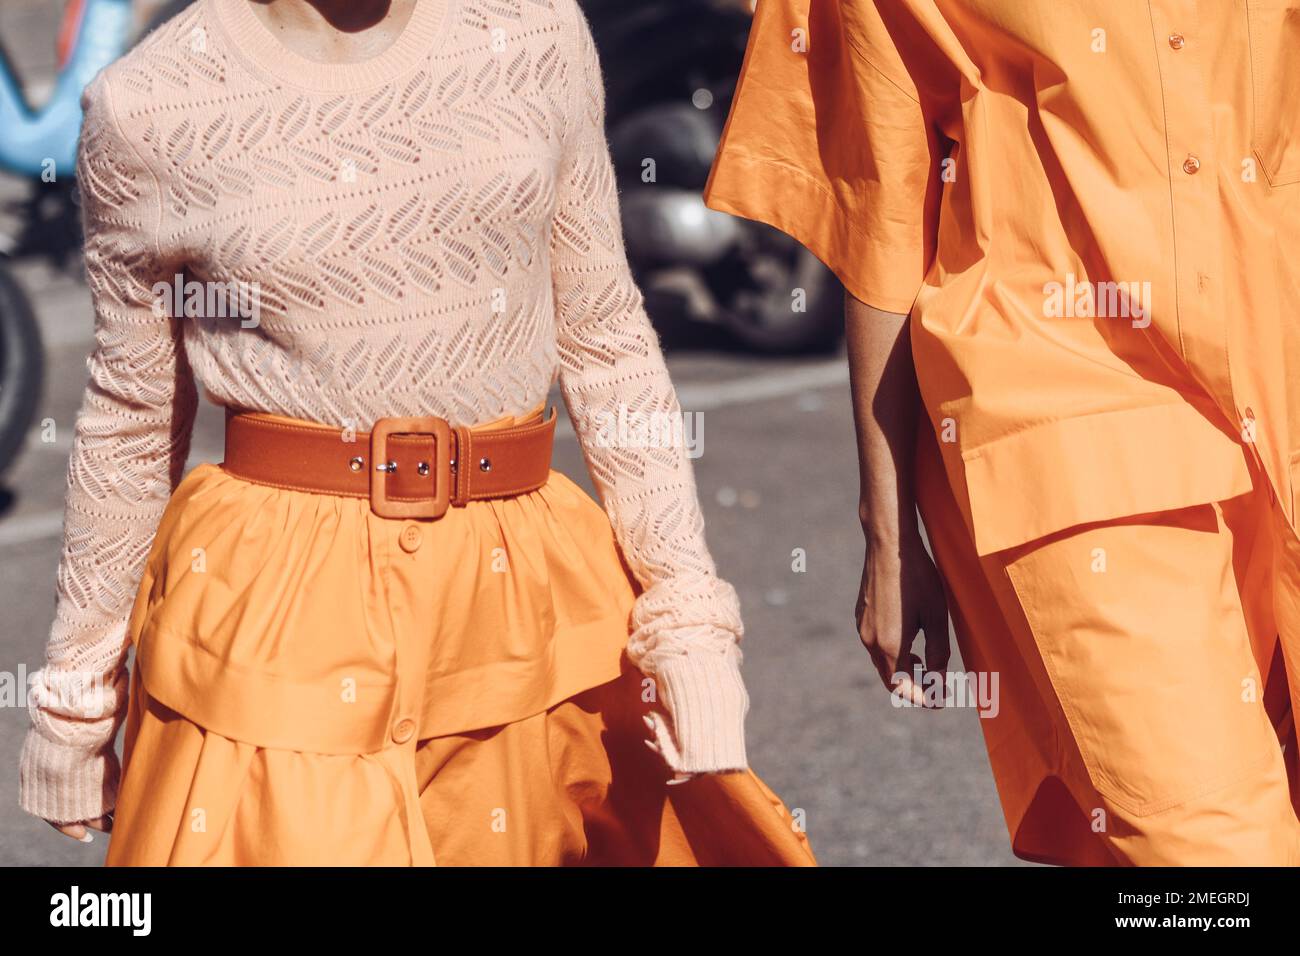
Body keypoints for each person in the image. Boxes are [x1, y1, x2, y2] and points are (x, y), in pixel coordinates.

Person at [18, 0, 815, 867]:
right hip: (277, 614)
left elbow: (606, 337)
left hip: (525, 601)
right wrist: (75, 696)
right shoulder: (146, 106)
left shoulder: (535, 29)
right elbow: (131, 418)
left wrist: (688, 626)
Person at [705, 0, 1300, 865]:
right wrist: (887, 528)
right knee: (1212, 850)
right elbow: (885, 207)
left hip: (1277, 381)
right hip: (1067, 410)